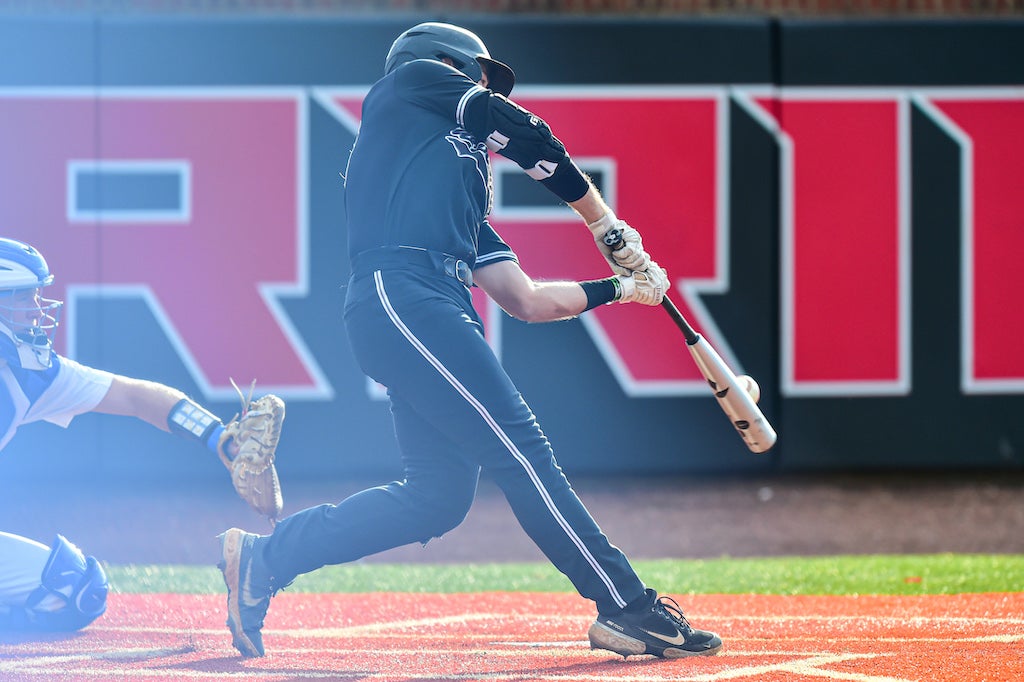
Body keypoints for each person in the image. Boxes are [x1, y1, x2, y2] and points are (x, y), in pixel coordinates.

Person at [217, 21, 722, 661]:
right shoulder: (408, 84)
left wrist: (619, 289)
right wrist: (604, 222)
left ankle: (266, 558)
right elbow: (525, 131)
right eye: (477, 74)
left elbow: (526, 299)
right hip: (403, 293)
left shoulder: (454, 195)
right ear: (445, 65)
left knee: (437, 498)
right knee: (522, 448)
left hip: (432, 303)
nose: (482, 86)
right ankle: (625, 605)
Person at [0, 237, 283, 632]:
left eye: (37, 296)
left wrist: (220, 437)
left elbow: (135, 396)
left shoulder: (32, 376)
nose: (36, 311)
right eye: (22, 298)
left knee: (78, 587)